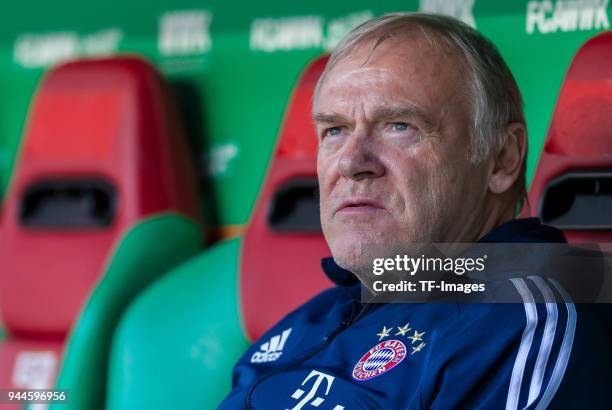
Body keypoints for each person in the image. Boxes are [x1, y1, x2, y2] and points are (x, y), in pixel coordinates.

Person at [218, 12, 612, 409]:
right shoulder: (313, 319)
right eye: (334, 130)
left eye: (399, 125)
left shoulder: (518, 323)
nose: (351, 162)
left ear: (502, 159)